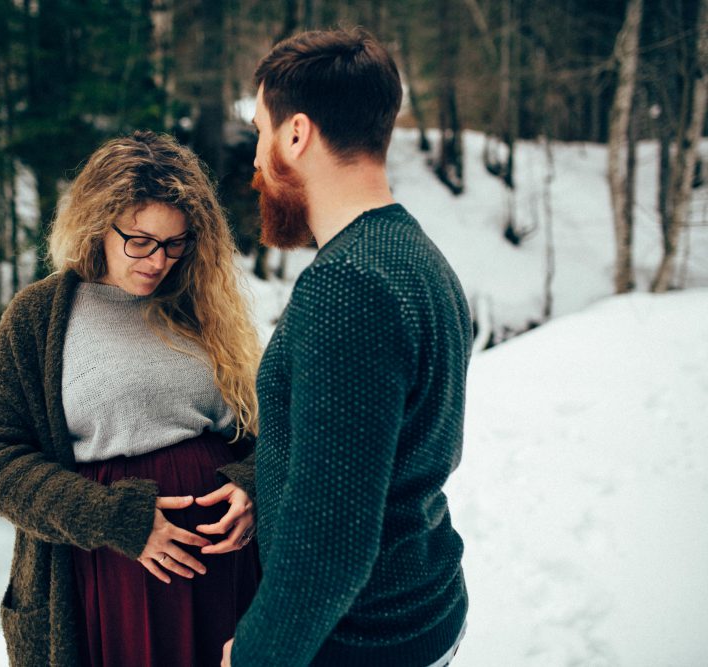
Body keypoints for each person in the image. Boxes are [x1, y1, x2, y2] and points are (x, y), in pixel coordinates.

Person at [222, 28, 472, 667]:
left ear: (296, 134)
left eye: (260, 131)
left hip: (360, 644)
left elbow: (330, 544)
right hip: (419, 613)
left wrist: (254, 657)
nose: (255, 160)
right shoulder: (417, 256)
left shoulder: (348, 286)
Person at [0, 131, 262, 667]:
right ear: (99, 222)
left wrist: (251, 488)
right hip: (109, 576)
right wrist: (114, 518)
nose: (158, 261)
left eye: (176, 243)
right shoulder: (39, 317)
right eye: (142, 240)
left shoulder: (205, 310)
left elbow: (267, 436)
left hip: (228, 573)